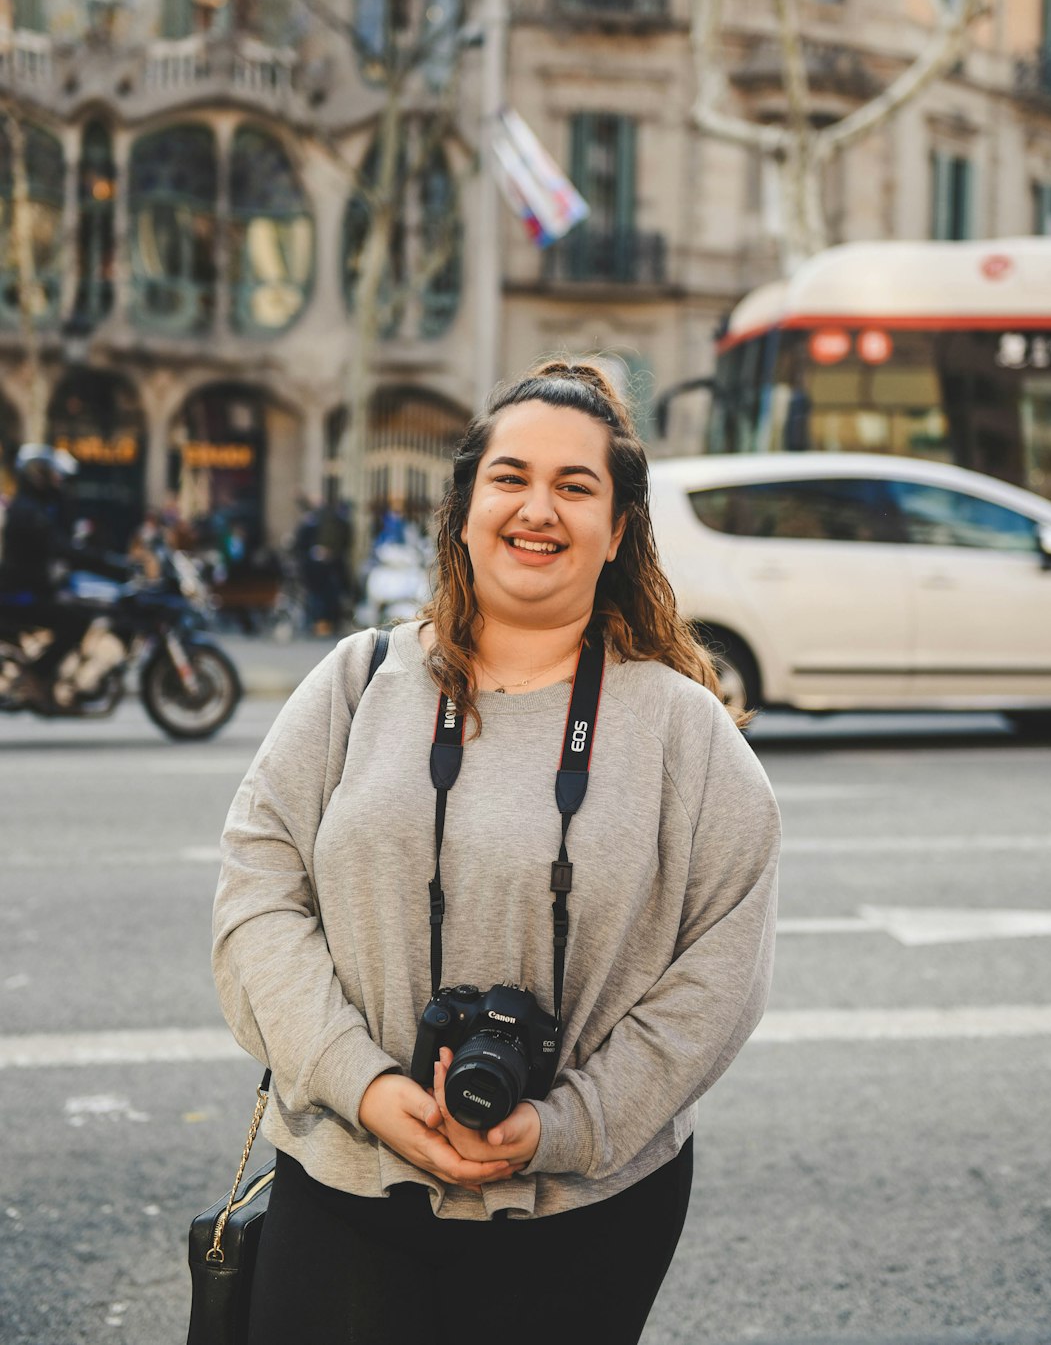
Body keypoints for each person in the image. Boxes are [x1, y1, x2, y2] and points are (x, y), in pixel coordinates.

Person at [212, 359, 780, 1345]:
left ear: (618, 530)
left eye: (576, 485)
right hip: (347, 1172)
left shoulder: (687, 733)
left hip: (586, 1205)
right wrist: (366, 1084)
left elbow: (719, 979)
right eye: (511, 476)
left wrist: (563, 1125)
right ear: (465, 509)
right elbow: (257, 898)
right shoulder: (356, 681)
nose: (538, 508)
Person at [0, 444, 128, 707]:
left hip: (30, 588)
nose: (57, 481)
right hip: (24, 594)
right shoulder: (28, 511)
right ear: (37, 475)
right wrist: (112, 565)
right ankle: (38, 675)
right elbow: (62, 549)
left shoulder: (34, 506)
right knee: (76, 620)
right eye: (50, 475)